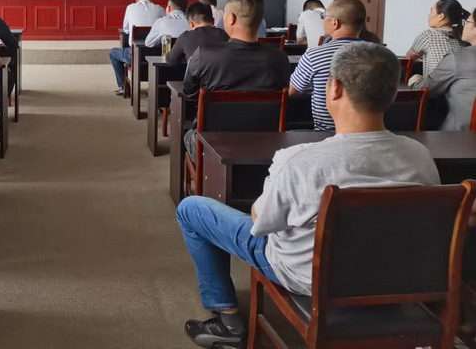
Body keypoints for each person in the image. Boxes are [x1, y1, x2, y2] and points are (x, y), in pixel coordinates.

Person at [176, 43, 439, 347]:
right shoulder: (420, 156)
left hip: (310, 278)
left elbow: (261, 223)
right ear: (393, 93)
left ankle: (228, 321)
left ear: (335, 89)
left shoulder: (299, 160)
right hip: (396, 275)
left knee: (192, 209)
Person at [183, 0, 290, 161]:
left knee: (187, 135)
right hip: (265, 145)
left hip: (212, 146)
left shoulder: (205, 54)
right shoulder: (280, 58)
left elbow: (189, 92)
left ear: (231, 18)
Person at [289, 0, 365, 131]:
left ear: (335, 23)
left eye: (323, 17)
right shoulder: (381, 55)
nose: (322, 20)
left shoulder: (314, 55)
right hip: (369, 132)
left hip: (326, 133)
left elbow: (292, 91)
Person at [413, 7, 476, 130]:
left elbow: (425, 91)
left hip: (458, 136)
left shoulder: (458, 58)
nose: (464, 26)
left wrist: (414, 82)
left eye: (467, 22)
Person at [108, 0, 166, 95]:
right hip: (157, 55)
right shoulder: (160, 9)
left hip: (135, 56)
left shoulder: (130, 8)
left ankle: (123, 86)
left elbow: (126, 29)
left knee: (113, 53)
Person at [407, 0, 469, 78]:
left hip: (436, 84)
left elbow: (410, 57)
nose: (429, 15)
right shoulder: (463, 37)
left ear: (441, 16)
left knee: (415, 78)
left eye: (431, 11)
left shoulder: (428, 35)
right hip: (460, 83)